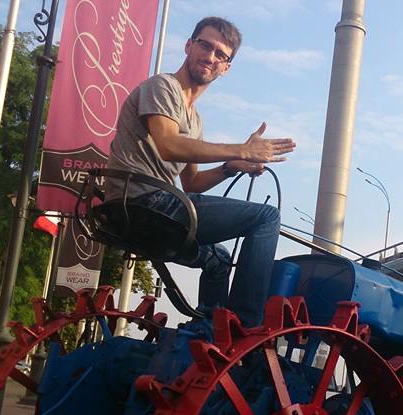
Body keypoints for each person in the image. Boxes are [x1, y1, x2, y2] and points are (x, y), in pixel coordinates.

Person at [106, 16, 295, 327]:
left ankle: (211, 330)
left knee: (219, 260)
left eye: (221, 54)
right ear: (188, 45)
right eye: (205, 45)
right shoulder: (163, 86)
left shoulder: (195, 121)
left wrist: (229, 167)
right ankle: (245, 326)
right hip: (142, 203)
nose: (210, 56)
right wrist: (241, 149)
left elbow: (192, 183)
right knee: (267, 217)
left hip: (160, 207)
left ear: (226, 67)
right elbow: (168, 145)